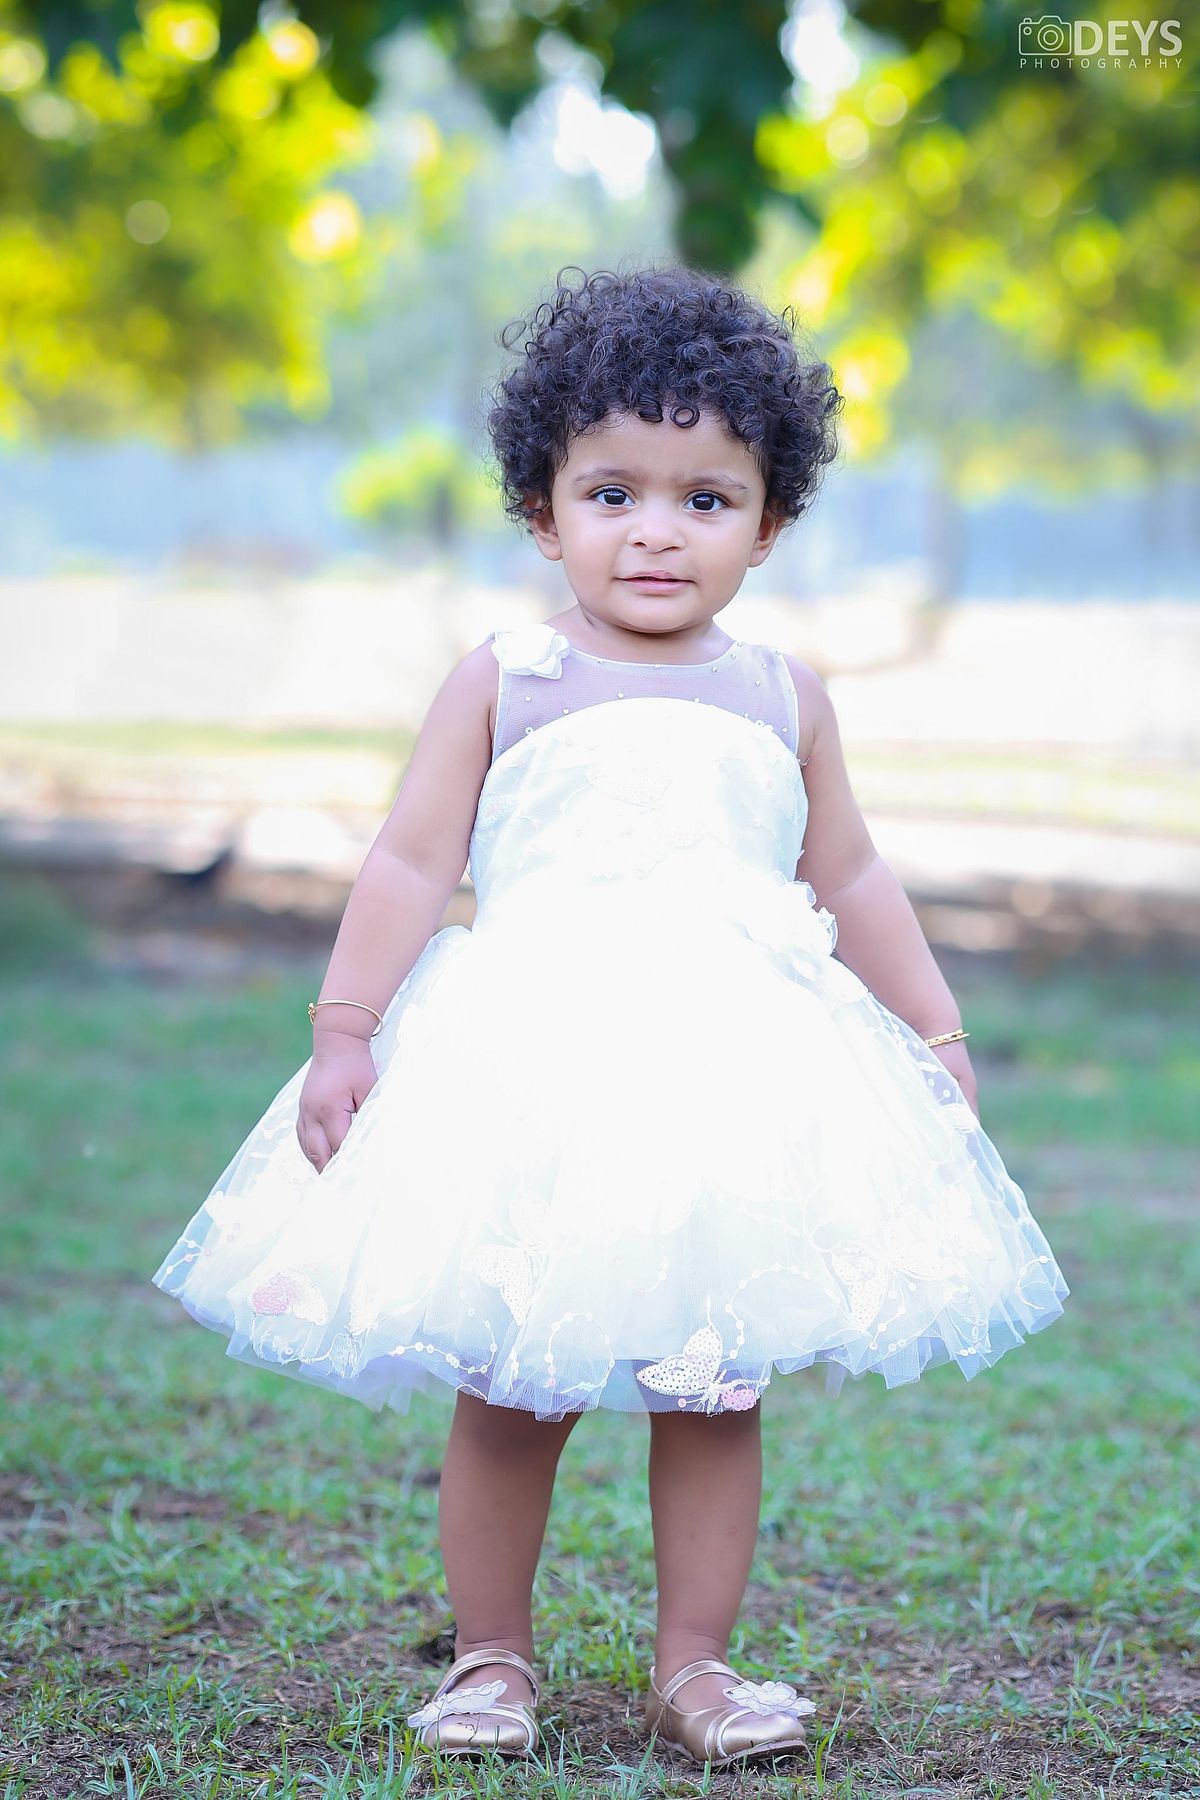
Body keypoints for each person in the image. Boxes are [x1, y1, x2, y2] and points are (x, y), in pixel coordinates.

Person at [150, 261, 1070, 1770]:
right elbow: (409, 858)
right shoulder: (510, 676)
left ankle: (695, 1667)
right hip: (534, 1080)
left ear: (768, 524)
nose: (656, 529)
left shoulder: (783, 695)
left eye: (707, 499)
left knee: (714, 1383)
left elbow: (847, 870)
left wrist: (938, 1028)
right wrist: (344, 1024)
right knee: (515, 1384)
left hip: (730, 1089)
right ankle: (490, 1661)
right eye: (613, 491)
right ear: (543, 508)